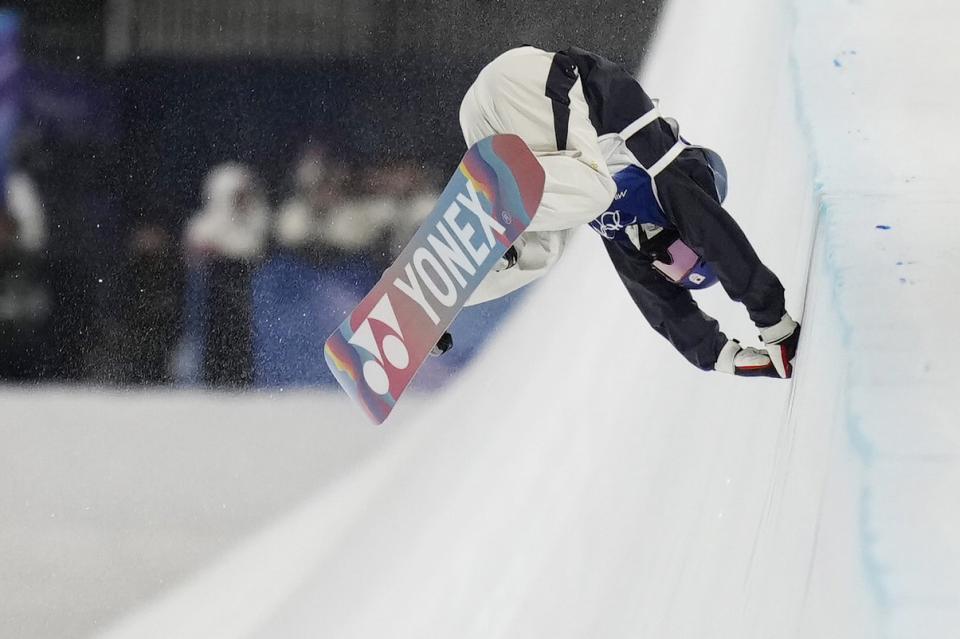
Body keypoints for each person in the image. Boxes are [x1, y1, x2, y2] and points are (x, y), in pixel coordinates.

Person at [437, 45, 800, 378]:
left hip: (495, 126)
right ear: (687, 238)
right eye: (678, 260)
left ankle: (441, 295)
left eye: (672, 272)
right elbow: (713, 232)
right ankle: (500, 208)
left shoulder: (629, 235)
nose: (663, 263)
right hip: (530, 86)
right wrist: (773, 321)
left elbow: (659, 302)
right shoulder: (668, 174)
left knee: (546, 251)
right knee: (595, 192)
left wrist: (721, 356)